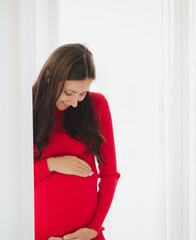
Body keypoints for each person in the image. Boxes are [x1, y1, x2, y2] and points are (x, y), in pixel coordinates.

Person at [33, 43, 120, 240]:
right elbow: (9, 179)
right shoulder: (25, 107)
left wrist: (94, 228)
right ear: (48, 77)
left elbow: (110, 174)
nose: (74, 102)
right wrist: (51, 164)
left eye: (82, 94)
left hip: (87, 236)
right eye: (69, 93)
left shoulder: (97, 105)